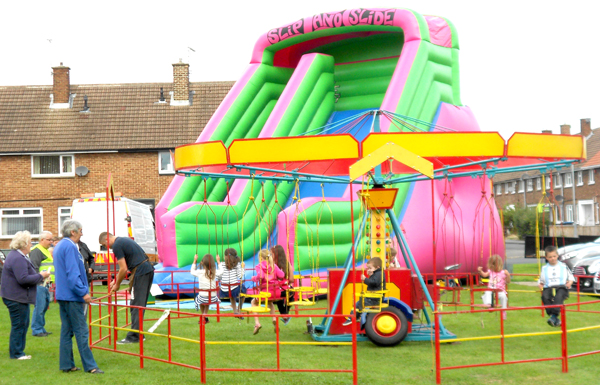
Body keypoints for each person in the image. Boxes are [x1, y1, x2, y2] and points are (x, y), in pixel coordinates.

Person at [54, 220, 103, 374]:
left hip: (63, 295)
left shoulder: (60, 245)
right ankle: (91, 366)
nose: (82, 233)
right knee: (81, 330)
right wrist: (84, 292)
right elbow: (73, 274)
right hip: (72, 296)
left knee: (66, 331)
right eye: (80, 230)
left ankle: (67, 364)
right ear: (73, 232)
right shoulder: (69, 246)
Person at [1, 231, 50, 360]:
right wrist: (41, 276)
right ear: (23, 244)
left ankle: (18, 351)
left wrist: (39, 276)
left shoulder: (17, 256)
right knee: (19, 325)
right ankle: (17, 353)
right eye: (30, 242)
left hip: (15, 296)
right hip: (15, 297)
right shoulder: (17, 258)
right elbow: (23, 279)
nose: (31, 245)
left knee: (22, 324)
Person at [99, 232, 155, 344]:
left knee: (136, 304)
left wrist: (117, 285)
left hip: (140, 272)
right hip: (147, 269)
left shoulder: (117, 245)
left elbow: (123, 268)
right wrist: (115, 280)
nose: (107, 248)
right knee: (139, 303)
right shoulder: (123, 240)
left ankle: (134, 336)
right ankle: (138, 334)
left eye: (104, 245)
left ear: (106, 239)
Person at [343, 257, 386, 326]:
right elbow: (374, 282)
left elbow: (373, 283)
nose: (368, 269)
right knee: (359, 303)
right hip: (373, 297)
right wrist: (370, 275)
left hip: (375, 299)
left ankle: (351, 318)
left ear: (377, 267)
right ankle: (355, 316)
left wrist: (365, 279)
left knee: (358, 304)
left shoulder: (379, 274)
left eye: (370, 268)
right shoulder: (378, 273)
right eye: (368, 268)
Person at [539, 245, 574, 327]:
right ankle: (554, 317)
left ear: (557, 256)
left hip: (561, 287)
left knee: (559, 297)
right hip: (549, 286)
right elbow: (542, 279)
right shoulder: (544, 268)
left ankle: (554, 316)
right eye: (550, 257)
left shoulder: (563, 266)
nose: (553, 258)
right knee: (545, 296)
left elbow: (571, 277)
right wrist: (540, 283)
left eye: (554, 256)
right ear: (546, 258)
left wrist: (570, 282)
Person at [251, 249, 284, 335]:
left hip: (266, 293)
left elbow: (261, 276)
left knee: (253, 302)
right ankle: (274, 319)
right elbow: (281, 275)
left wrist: (254, 278)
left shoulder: (259, 266)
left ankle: (257, 323)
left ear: (261, 258)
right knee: (270, 303)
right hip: (276, 293)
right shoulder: (274, 265)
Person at [29, 230, 55, 337]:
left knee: (43, 307)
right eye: (49, 240)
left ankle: (41, 328)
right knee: (39, 307)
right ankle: (37, 329)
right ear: (42, 240)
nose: (51, 242)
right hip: (40, 284)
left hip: (46, 283)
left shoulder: (44, 250)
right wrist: (38, 282)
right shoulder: (37, 251)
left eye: (52, 239)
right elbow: (33, 268)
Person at [478, 254, 511, 319]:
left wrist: (508, 275)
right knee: (487, 292)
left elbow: (508, 281)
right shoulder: (490, 271)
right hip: (491, 289)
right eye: (491, 266)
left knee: (504, 297)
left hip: (500, 291)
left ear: (499, 265)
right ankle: (489, 305)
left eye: (494, 266)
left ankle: (503, 311)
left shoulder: (503, 272)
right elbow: (484, 275)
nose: (492, 268)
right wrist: (480, 271)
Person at [191, 254, 221, 323]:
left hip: (203, 297)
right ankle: (205, 316)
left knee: (201, 299)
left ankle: (203, 316)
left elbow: (192, 271)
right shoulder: (214, 272)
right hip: (213, 297)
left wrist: (195, 260)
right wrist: (218, 262)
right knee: (206, 300)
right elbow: (221, 272)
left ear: (203, 263)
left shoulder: (200, 272)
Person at [216, 248, 244, 318]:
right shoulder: (236, 265)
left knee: (232, 295)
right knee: (243, 293)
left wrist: (218, 262)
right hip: (233, 288)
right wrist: (242, 268)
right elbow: (240, 276)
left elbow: (218, 277)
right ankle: (239, 310)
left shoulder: (221, 264)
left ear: (225, 257)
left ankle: (235, 312)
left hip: (224, 289)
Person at [271, 245, 293, 325]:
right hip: (286, 289)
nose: (270, 255)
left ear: (276, 255)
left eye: (271, 254)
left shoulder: (272, 265)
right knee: (290, 295)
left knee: (278, 297)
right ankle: (285, 314)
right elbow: (291, 279)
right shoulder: (287, 264)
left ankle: (284, 315)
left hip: (277, 289)